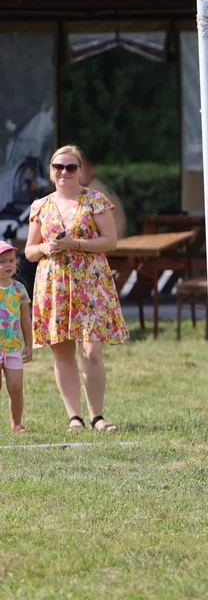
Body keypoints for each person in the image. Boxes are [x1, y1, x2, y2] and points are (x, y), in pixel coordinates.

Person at [24, 146, 127, 433]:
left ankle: (97, 416)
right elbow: (30, 251)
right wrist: (46, 247)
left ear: (81, 170)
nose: (64, 172)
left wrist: (75, 244)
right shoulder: (41, 206)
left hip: (90, 284)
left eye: (71, 167)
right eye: (58, 166)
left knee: (92, 351)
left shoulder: (95, 200)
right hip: (54, 283)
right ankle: (74, 417)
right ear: (51, 170)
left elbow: (110, 241)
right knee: (62, 352)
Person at [0, 241, 32, 433]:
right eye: (2, 261)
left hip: (13, 348)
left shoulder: (19, 289)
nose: (8, 265)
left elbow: (26, 320)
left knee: (16, 389)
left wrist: (28, 344)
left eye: (11, 260)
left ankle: (16, 424)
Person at [79, 161, 127, 239]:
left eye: (81, 170)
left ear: (91, 171)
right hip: (117, 239)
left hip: (112, 244)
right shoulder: (97, 186)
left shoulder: (92, 192)